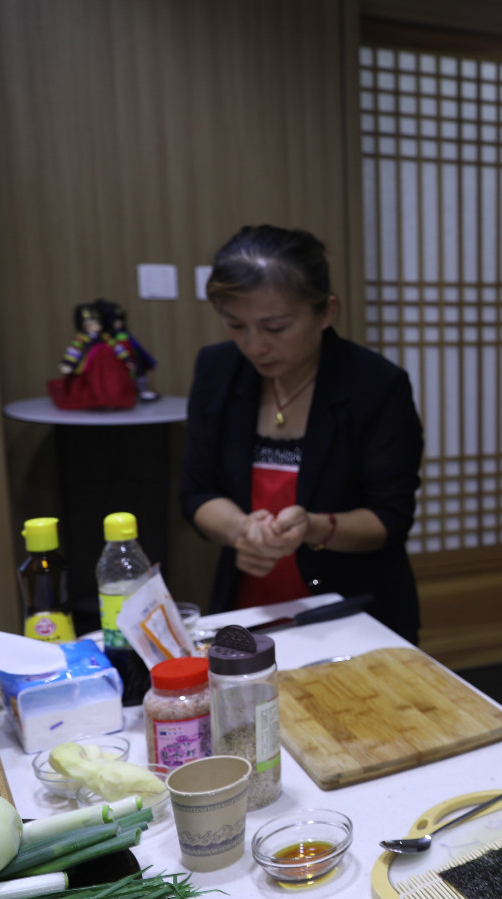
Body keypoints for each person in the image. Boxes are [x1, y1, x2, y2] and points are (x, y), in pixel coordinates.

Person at [179, 225, 424, 643]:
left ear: (326, 312)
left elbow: (389, 517)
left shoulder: (376, 385)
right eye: (235, 325)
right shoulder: (217, 370)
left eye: (275, 328)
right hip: (249, 606)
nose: (255, 346)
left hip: (352, 609)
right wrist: (242, 530)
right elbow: (196, 491)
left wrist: (312, 526)